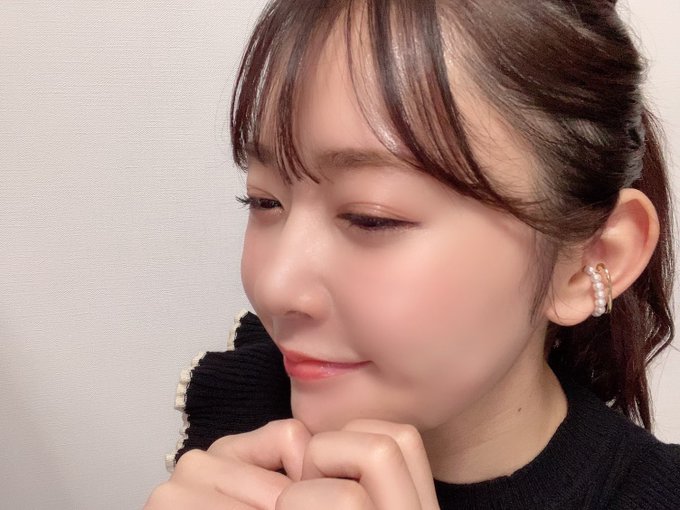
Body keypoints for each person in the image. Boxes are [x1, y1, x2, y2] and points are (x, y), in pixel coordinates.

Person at [145, 0, 680, 508]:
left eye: (371, 217)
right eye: (264, 200)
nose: (274, 285)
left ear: (589, 260)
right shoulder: (240, 422)